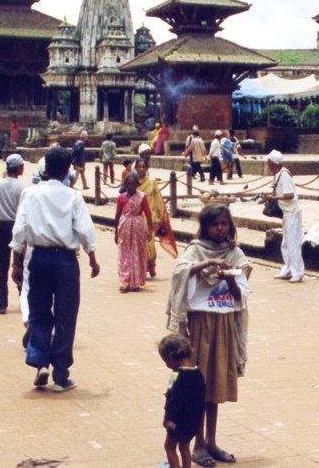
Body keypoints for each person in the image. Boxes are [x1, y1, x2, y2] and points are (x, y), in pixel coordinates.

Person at [9, 146, 100, 391]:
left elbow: (19, 229)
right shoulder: (73, 197)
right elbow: (84, 229)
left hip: (38, 258)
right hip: (65, 262)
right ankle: (61, 373)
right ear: (69, 170)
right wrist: (92, 258)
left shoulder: (31, 194)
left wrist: (16, 262)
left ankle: (41, 363)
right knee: (65, 315)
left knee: (38, 312)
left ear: (46, 168)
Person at [166, 204, 251, 467]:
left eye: (225, 224)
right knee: (197, 387)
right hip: (200, 324)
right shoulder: (195, 249)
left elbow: (241, 296)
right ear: (206, 226)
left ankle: (212, 441)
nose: (220, 228)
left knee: (216, 385)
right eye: (215, 224)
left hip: (224, 323)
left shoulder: (235, 253)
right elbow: (179, 272)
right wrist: (209, 262)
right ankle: (198, 443)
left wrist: (231, 277)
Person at [0, 154, 27, 314]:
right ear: (19, 168)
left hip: (1, 227)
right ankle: (24, 298)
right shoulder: (24, 188)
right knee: (21, 263)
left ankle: (0, 302)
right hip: (18, 227)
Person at [158, 333, 207, 468]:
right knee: (184, 447)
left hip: (177, 422)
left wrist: (167, 419)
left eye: (165, 360)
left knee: (169, 447)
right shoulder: (198, 373)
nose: (166, 364)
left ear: (171, 357)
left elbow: (172, 401)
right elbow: (201, 400)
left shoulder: (176, 376)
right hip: (193, 422)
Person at [261, 150, 304, 282]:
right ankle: (288, 269)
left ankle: (297, 272)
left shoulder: (284, 175)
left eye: (268, 163)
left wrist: (272, 197)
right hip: (286, 213)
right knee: (285, 243)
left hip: (292, 212)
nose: (268, 165)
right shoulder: (278, 174)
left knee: (293, 243)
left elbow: (289, 195)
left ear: (273, 163)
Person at [135, 158, 178, 277]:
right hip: (136, 217)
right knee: (138, 244)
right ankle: (142, 268)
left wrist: (159, 216)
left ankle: (151, 266)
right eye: (139, 167)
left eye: (144, 167)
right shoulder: (132, 182)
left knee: (149, 243)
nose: (142, 169)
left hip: (150, 217)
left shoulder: (152, 182)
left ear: (147, 168)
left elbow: (158, 199)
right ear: (136, 168)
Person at [114, 171, 152, 293]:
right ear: (125, 184)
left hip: (138, 227)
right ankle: (126, 281)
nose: (131, 186)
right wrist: (116, 231)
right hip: (124, 227)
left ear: (137, 184)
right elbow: (117, 215)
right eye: (128, 183)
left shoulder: (142, 197)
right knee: (125, 252)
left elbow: (148, 214)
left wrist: (149, 230)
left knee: (138, 252)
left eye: (133, 183)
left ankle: (136, 281)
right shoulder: (121, 198)